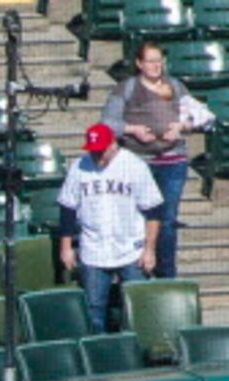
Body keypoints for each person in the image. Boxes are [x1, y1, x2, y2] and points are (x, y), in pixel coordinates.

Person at [102, 41, 212, 279]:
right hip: (138, 162)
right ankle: (135, 270)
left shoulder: (175, 86)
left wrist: (183, 127)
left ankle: (166, 273)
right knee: (137, 216)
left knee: (167, 219)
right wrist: (132, 129)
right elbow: (107, 123)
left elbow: (203, 116)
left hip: (172, 161)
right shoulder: (126, 89)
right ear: (139, 64)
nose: (155, 65)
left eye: (158, 60)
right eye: (150, 61)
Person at [58, 122, 165, 333]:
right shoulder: (79, 167)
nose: (97, 156)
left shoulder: (134, 166)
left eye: (101, 151)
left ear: (113, 145)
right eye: (93, 151)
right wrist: (66, 247)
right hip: (94, 248)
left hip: (131, 247)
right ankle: (99, 356)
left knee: (139, 306)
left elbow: (153, 210)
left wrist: (149, 249)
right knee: (94, 309)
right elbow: (67, 209)